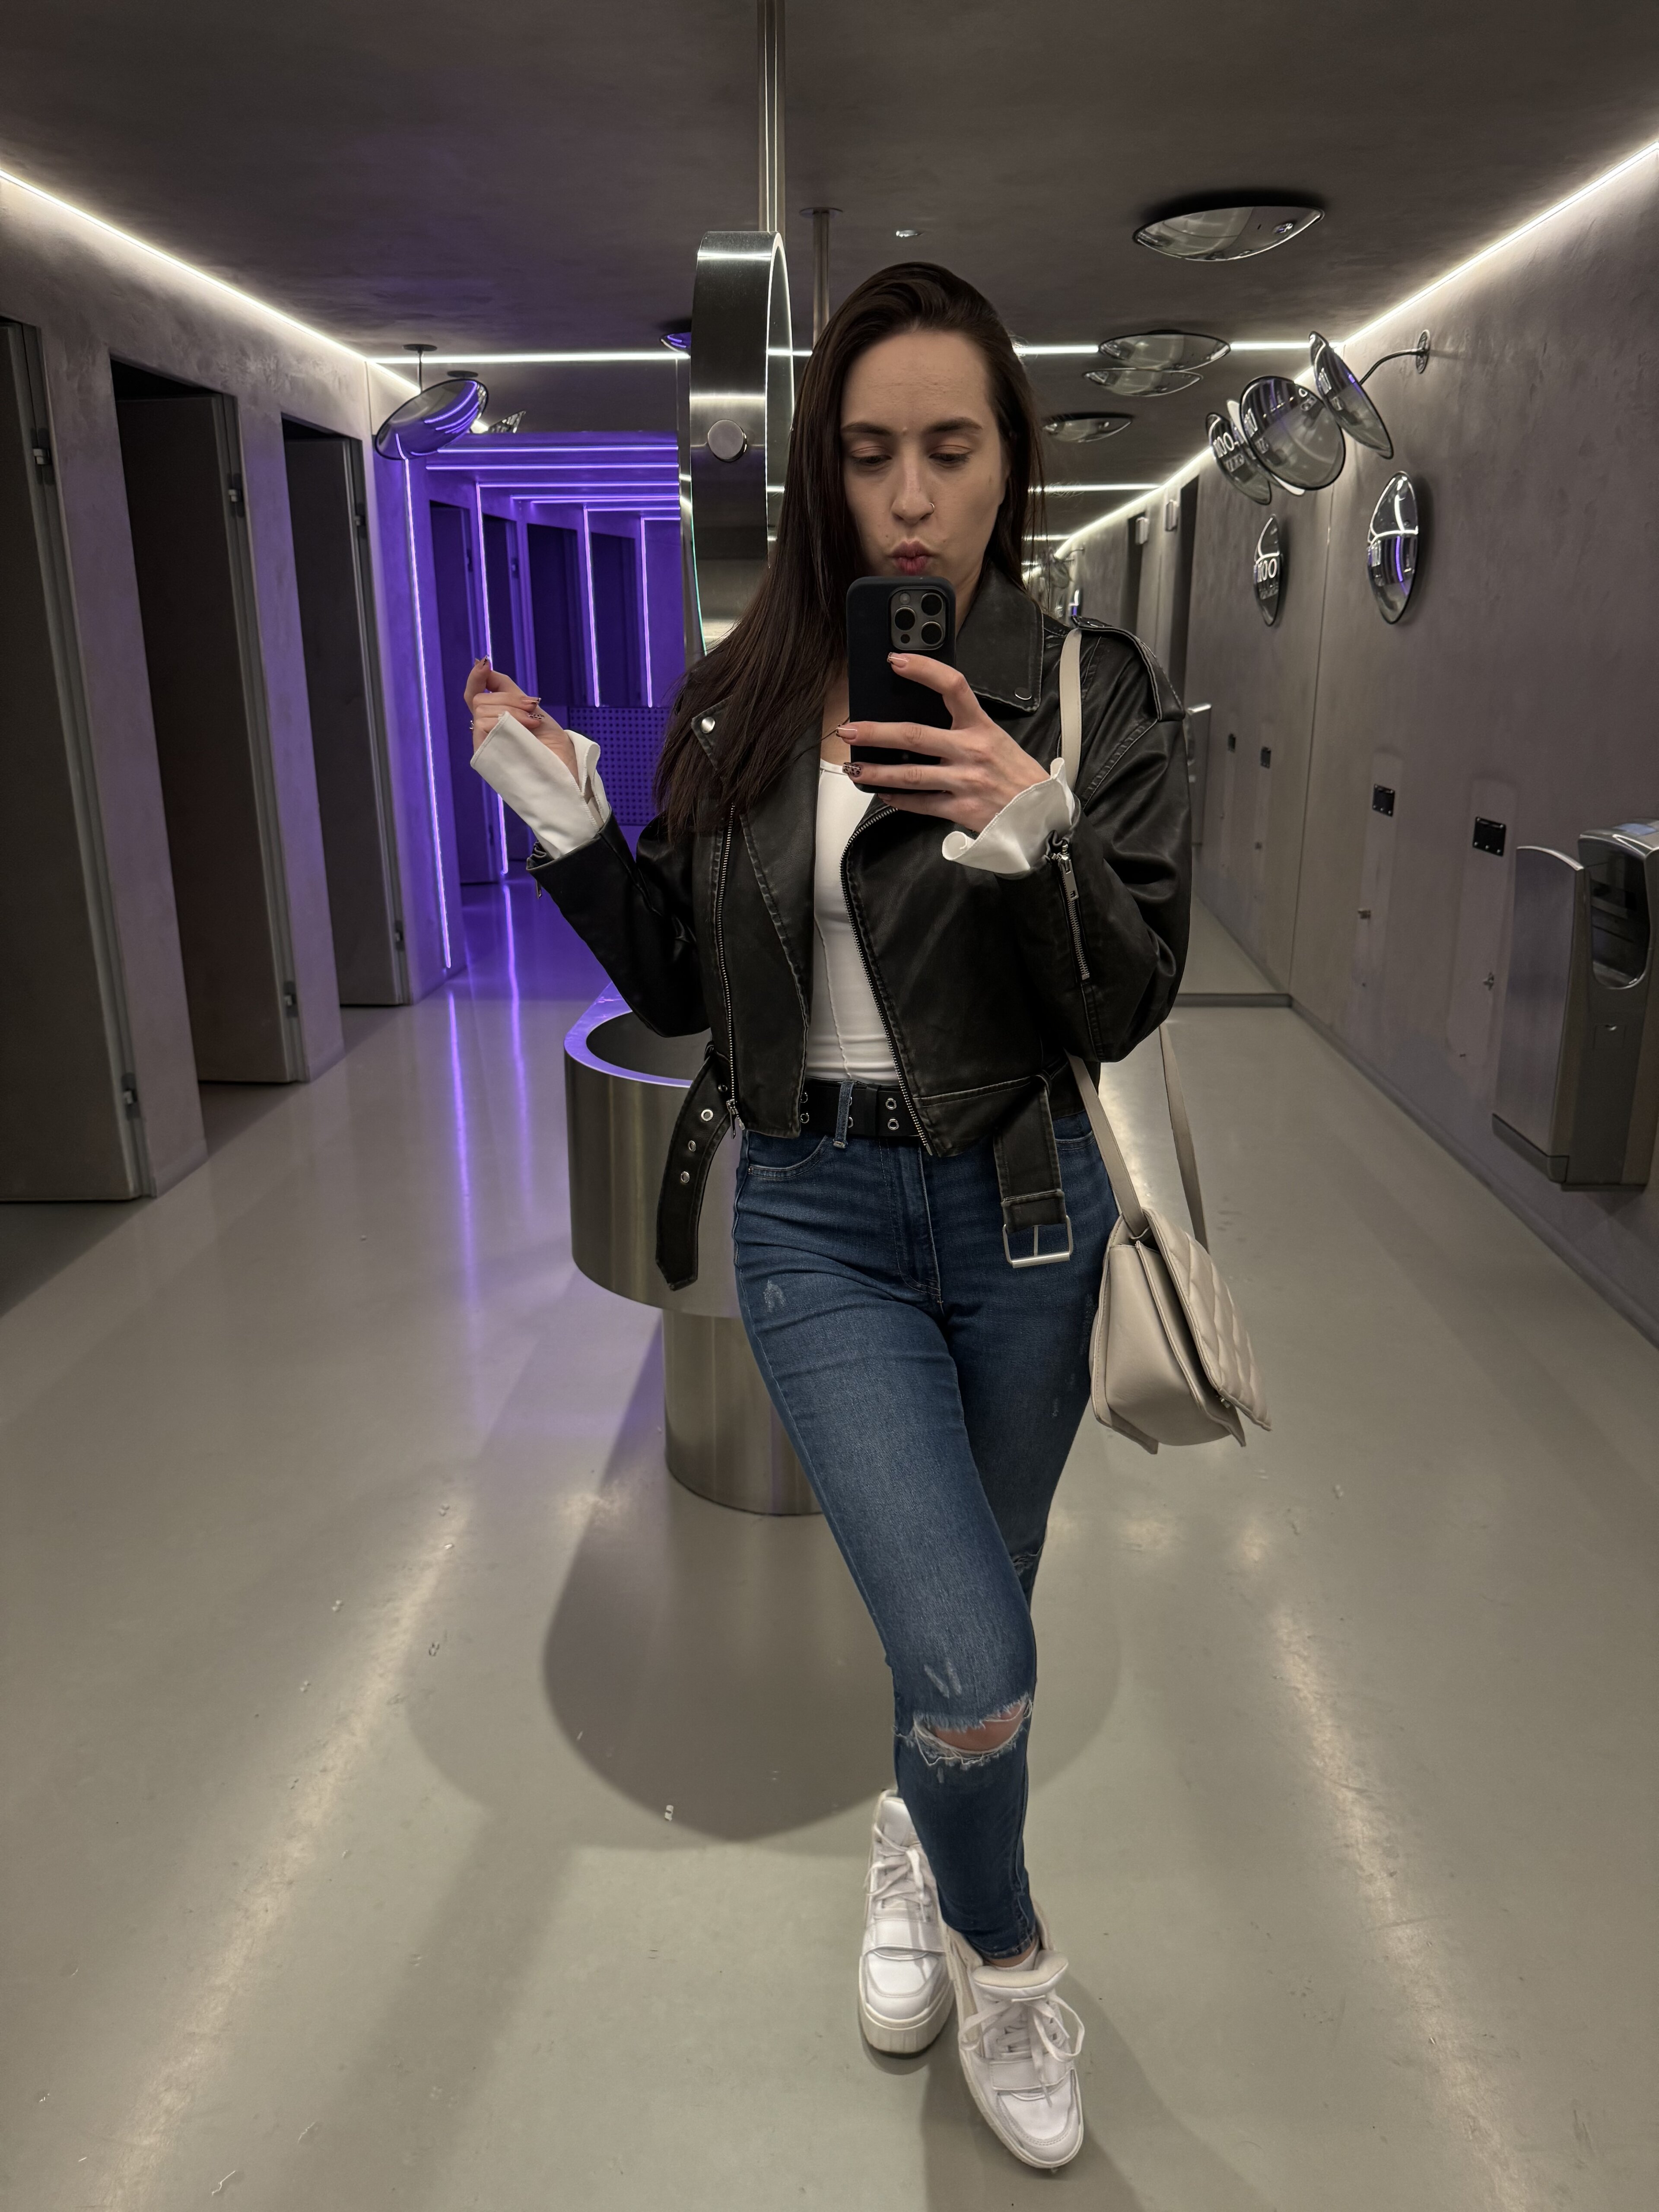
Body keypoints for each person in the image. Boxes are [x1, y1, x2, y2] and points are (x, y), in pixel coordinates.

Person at [464, 263, 1189, 2171]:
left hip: (1027, 1208)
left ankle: (911, 1830)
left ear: (1011, 458)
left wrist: (1033, 825)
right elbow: (682, 985)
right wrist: (563, 819)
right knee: (971, 1660)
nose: (913, 497)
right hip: (816, 1218)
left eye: (951, 446)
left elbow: (1127, 995)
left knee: (983, 1610)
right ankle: (1005, 1953)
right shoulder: (745, 699)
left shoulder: (1088, 689)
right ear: (821, 471)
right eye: (870, 454)